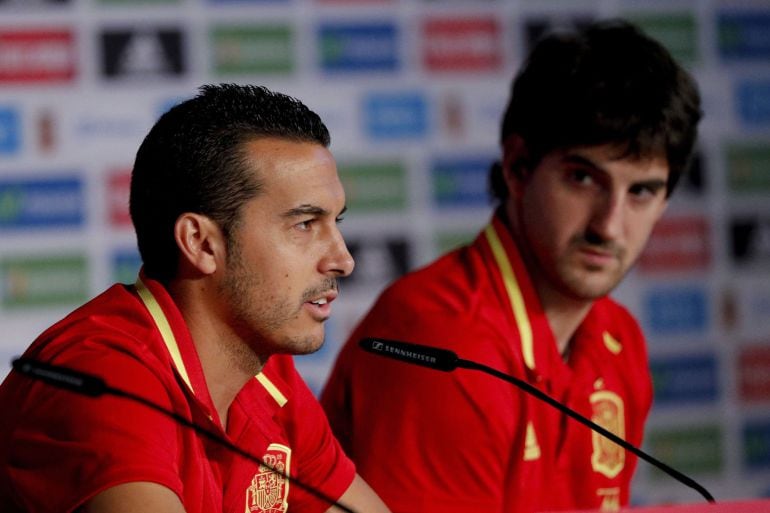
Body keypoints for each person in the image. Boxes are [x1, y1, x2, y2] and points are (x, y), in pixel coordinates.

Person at [321, 19, 702, 513]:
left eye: (642, 191)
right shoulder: (443, 340)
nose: (610, 226)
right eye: (584, 178)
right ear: (518, 166)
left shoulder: (619, 340)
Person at [0, 84, 391, 513]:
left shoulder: (268, 374)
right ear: (201, 243)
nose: (343, 260)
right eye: (304, 225)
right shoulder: (104, 378)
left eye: (335, 223)